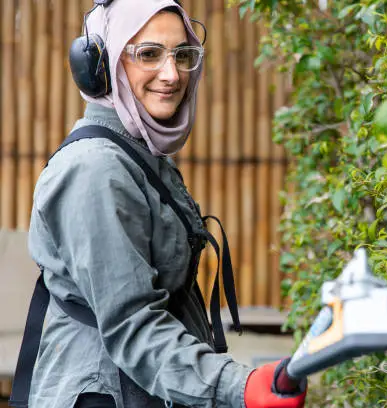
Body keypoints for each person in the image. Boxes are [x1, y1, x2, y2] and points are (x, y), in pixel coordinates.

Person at [20, 1, 307, 407]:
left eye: (182, 55)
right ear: (102, 67)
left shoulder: (138, 153)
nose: (172, 75)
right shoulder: (96, 170)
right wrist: (237, 387)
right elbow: (133, 325)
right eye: (148, 54)